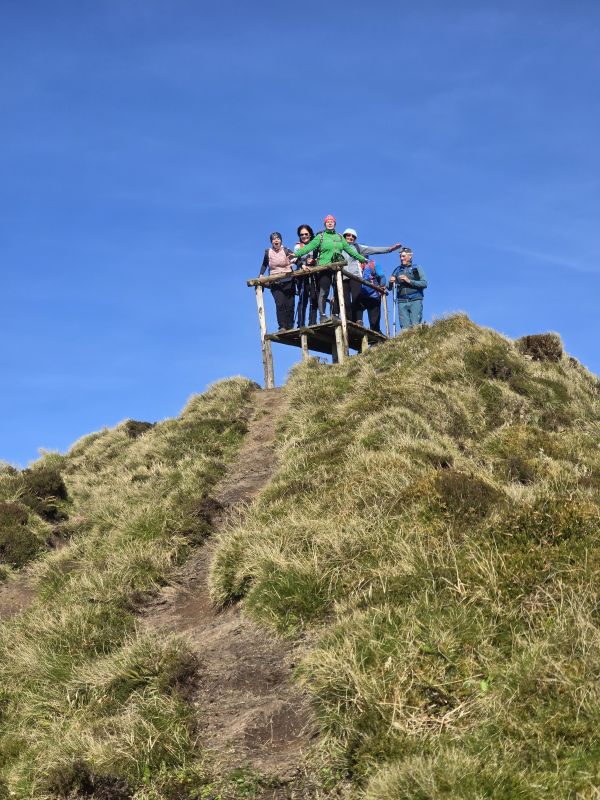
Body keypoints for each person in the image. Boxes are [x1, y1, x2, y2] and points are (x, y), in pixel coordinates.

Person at [291, 214, 368, 322]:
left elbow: (349, 250)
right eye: (328, 221)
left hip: (337, 268)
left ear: (335, 224)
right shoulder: (321, 236)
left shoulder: (340, 237)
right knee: (324, 291)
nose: (330, 223)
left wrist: (361, 258)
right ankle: (322, 315)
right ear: (325, 224)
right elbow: (309, 247)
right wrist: (296, 254)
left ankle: (335, 314)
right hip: (324, 268)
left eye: (332, 221)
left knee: (337, 291)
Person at [340, 228, 402, 322]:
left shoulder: (358, 248)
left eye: (353, 236)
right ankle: (348, 321)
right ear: (344, 236)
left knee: (357, 300)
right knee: (345, 302)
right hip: (342, 277)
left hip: (357, 279)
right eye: (348, 235)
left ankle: (359, 321)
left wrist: (390, 249)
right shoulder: (339, 246)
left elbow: (373, 249)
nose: (351, 237)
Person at [259, 232, 295, 331]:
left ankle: (290, 325)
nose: (276, 240)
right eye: (274, 239)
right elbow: (264, 264)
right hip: (275, 282)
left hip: (289, 281)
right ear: (271, 241)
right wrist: (261, 274)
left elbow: (296, 259)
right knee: (280, 304)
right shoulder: (268, 252)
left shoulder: (286, 250)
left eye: (278, 238)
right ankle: (282, 326)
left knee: (290, 304)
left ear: (281, 240)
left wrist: (302, 265)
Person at [388, 247, 428, 330]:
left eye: (404, 256)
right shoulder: (397, 270)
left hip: (415, 299)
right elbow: (389, 287)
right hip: (401, 301)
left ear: (410, 256)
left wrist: (409, 281)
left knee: (415, 325)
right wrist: (390, 282)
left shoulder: (416, 268)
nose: (401, 258)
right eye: (400, 257)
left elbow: (424, 283)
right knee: (405, 329)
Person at [294, 224, 319, 327]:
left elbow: (319, 258)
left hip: (314, 274)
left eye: (306, 234)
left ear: (310, 234)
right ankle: (300, 324)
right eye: (301, 234)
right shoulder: (298, 246)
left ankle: (312, 322)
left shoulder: (315, 245)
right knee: (303, 299)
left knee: (314, 298)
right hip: (301, 276)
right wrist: (302, 264)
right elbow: (295, 259)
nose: (304, 236)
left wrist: (314, 261)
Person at [356, 259, 386, 333]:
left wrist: (381, 286)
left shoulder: (373, 265)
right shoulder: (358, 267)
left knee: (374, 322)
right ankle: (357, 327)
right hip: (363, 296)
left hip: (374, 296)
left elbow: (382, 277)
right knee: (355, 308)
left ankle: (376, 335)